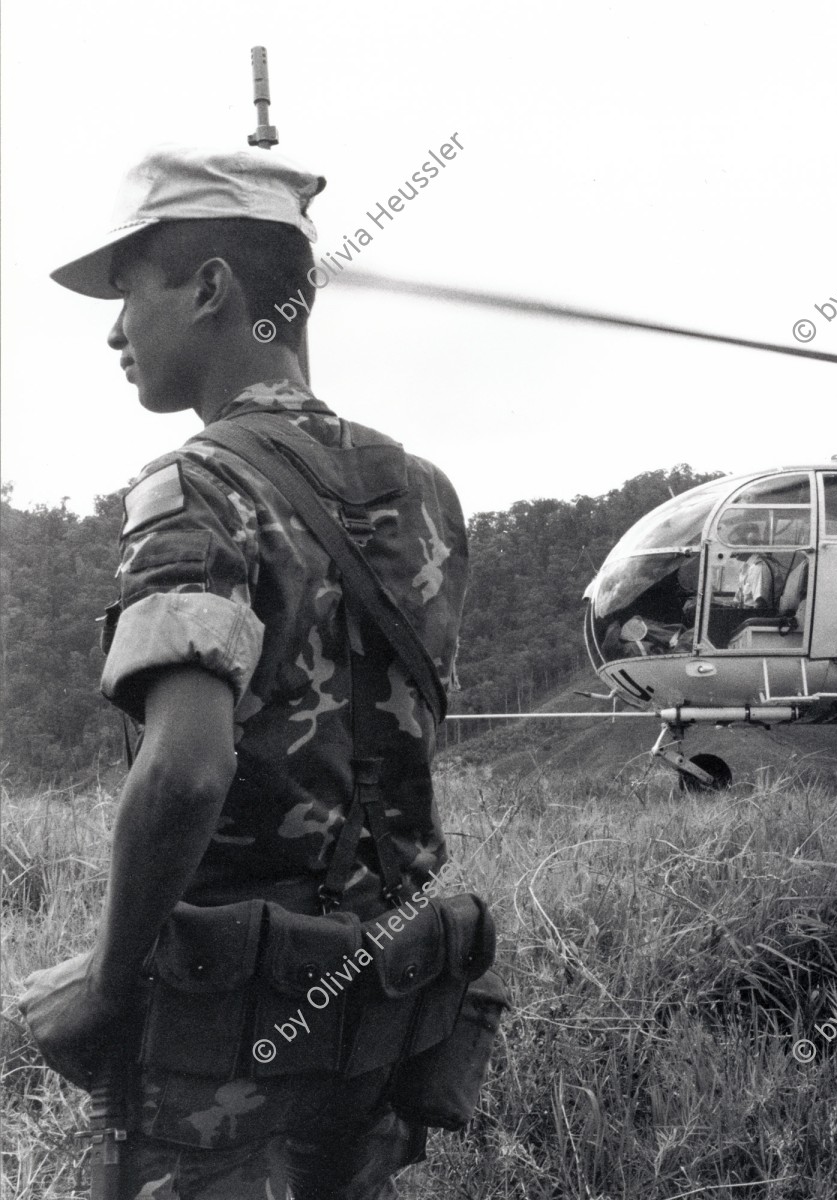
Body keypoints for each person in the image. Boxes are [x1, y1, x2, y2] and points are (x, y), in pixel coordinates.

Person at [21, 145, 477, 1197]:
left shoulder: (196, 485)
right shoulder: (429, 495)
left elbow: (186, 771)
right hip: (387, 1009)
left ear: (212, 288)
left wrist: (102, 984)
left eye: (129, 290)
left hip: (233, 1028)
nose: (113, 329)